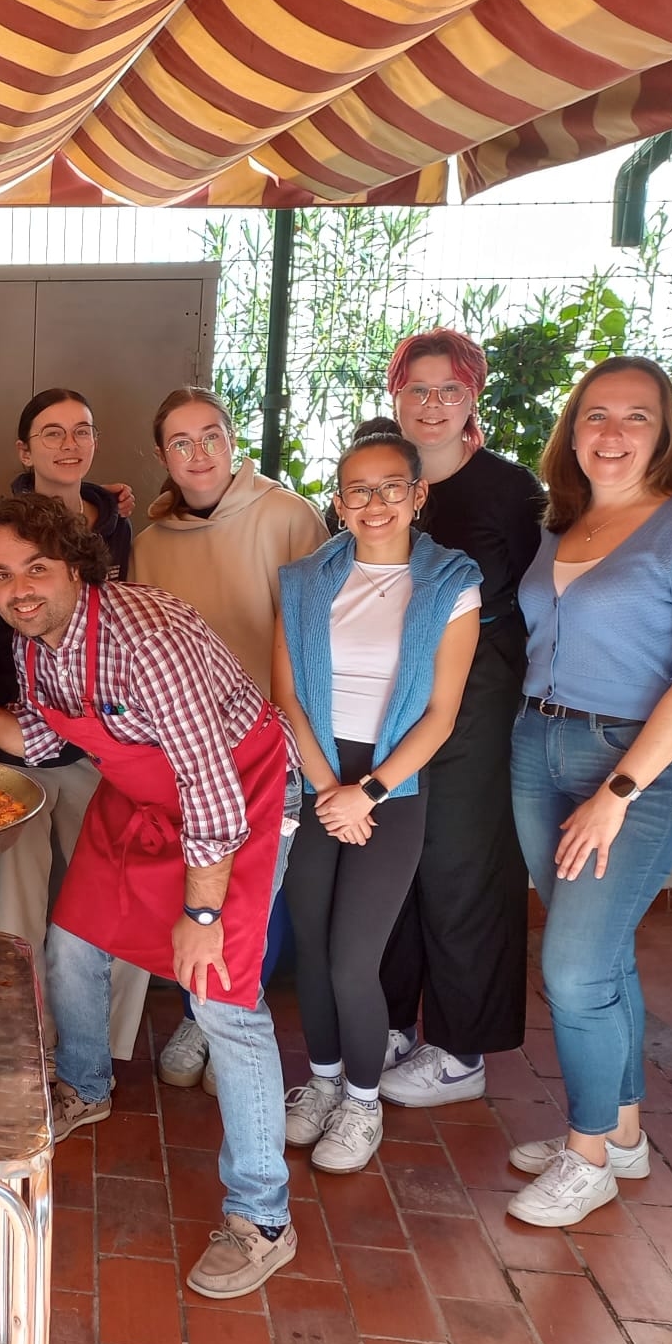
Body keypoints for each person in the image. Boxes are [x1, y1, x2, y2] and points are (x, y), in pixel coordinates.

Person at [0, 492, 299, 1300]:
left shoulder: (142, 639)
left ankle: (263, 1219)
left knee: (221, 997)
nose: (19, 588)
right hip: (140, 798)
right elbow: (46, 740)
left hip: (239, 804)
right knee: (74, 941)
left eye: (36, 569)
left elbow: (211, 785)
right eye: (2, 574)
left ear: (76, 564)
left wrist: (201, 914)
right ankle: (84, 1083)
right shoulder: (36, 642)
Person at [506, 356, 672, 1228]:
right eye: (596, 416)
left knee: (572, 968)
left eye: (635, 417)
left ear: (665, 431)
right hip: (539, 741)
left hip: (637, 763)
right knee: (600, 953)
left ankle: (585, 1155)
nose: (612, 433)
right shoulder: (559, 526)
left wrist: (617, 789)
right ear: (572, 432)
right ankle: (625, 1134)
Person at [273, 421, 480, 1174]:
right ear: (338, 500)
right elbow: (288, 697)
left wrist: (370, 792)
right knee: (314, 942)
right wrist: (328, 788)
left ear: (418, 494)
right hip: (316, 777)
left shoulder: (452, 584)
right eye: (359, 490)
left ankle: (363, 1100)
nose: (376, 503)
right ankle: (323, 1081)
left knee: (354, 959)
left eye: (392, 487)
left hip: (394, 784)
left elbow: (442, 715)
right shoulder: (303, 582)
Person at [129, 386, 327, 1091]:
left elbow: (315, 639)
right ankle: (197, 1011)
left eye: (211, 435)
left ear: (232, 437)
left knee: (256, 898)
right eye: (181, 443)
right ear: (163, 457)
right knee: (196, 890)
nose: (199, 453)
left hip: (269, 745)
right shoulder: (150, 545)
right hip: (185, 752)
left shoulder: (287, 516)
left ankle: (228, 1015)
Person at [376, 328, 549, 1109]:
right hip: (391, 696)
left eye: (449, 390)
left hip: (478, 700)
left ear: (472, 396)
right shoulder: (384, 481)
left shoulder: (511, 492)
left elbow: (542, 600)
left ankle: (460, 1049)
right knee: (397, 862)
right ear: (396, 397)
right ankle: (389, 1024)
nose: (433, 404)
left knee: (461, 865)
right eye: (419, 389)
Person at [0, 390, 132, 1010]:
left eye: (82, 431)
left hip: (97, 747)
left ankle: (93, 1050)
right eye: (52, 433)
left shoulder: (121, 526)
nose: (69, 444)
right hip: (19, 739)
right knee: (16, 907)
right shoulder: (3, 525)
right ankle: (25, 1035)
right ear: (25, 449)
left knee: (105, 899)